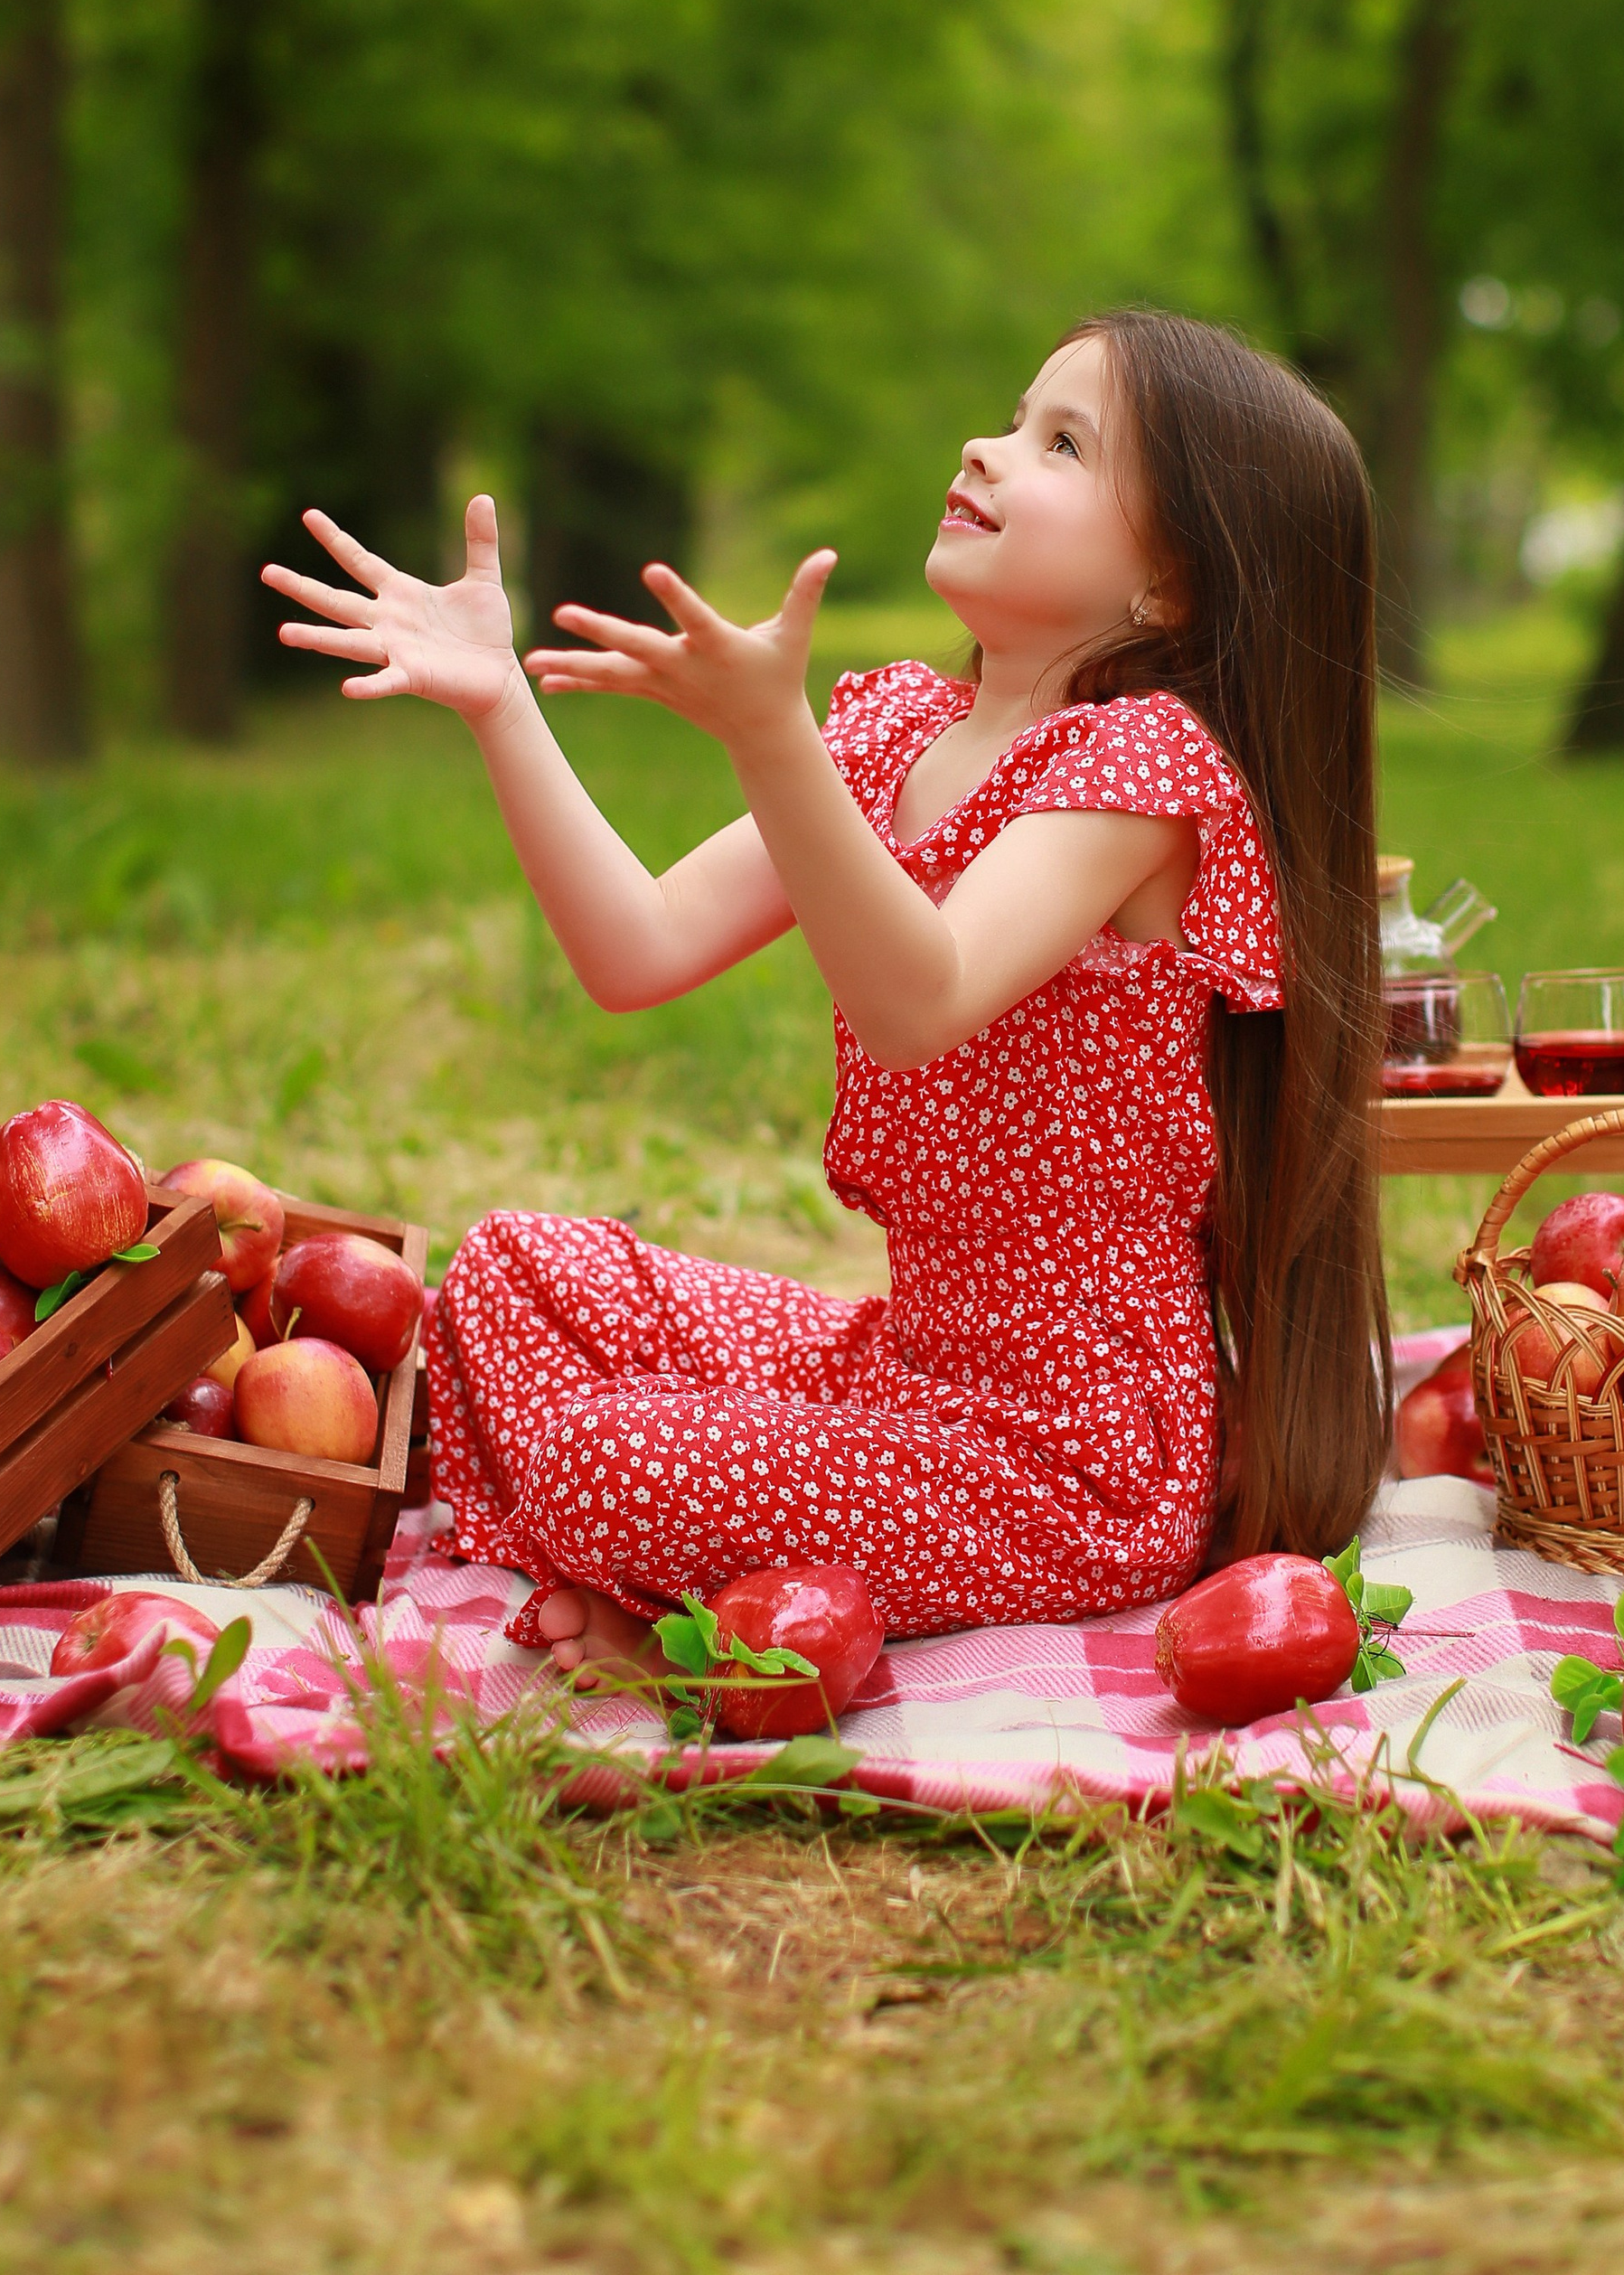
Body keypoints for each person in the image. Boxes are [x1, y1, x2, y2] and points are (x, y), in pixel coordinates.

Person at [262, 308, 1388, 1678]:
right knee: (507, 1276)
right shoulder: (900, 731)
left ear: (1174, 586)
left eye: (1063, 442)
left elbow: (924, 992)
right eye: (1017, 412)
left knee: (601, 1456)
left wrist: (767, 736)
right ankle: (667, 1582)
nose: (987, 446)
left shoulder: (1144, 771)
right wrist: (503, 704)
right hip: (900, 1365)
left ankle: (672, 1591)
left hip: (1064, 1457)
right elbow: (637, 949)